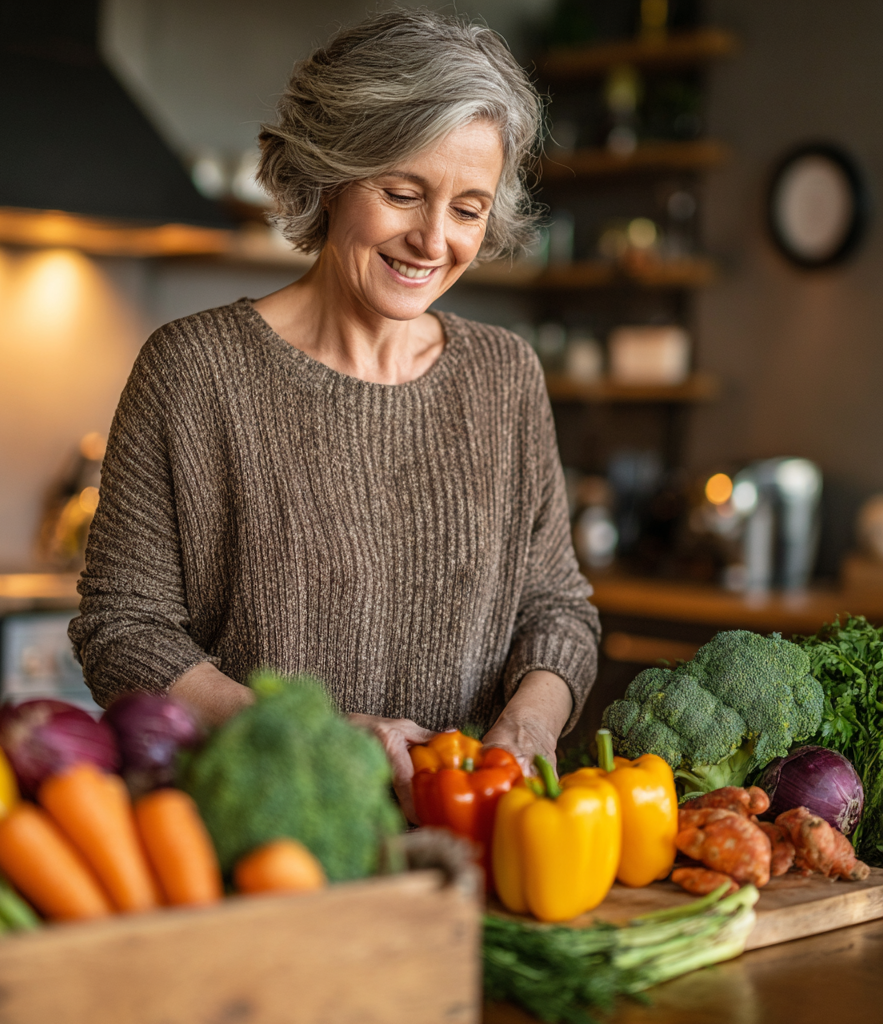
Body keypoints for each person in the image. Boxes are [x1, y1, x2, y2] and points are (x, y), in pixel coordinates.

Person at [69, 9, 599, 821]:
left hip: (469, 831)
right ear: (327, 173)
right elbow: (124, 629)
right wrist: (307, 737)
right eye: (401, 193)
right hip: (260, 830)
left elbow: (555, 608)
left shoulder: (505, 376)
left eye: (468, 208)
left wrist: (527, 723)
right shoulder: (195, 370)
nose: (432, 240)